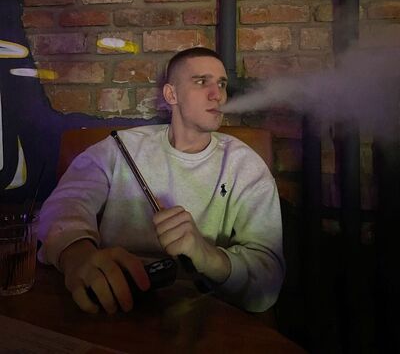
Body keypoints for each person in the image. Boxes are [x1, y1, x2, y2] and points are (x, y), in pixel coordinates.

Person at [38, 47, 284, 314]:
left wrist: (206, 254)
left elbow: (267, 282)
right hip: (110, 299)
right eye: (202, 81)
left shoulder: (245, 165)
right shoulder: (120, 147)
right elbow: (65, 202)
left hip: (198, 310)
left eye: (222, 84)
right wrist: (77, 255)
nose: (218, 94)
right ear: (171, 94)